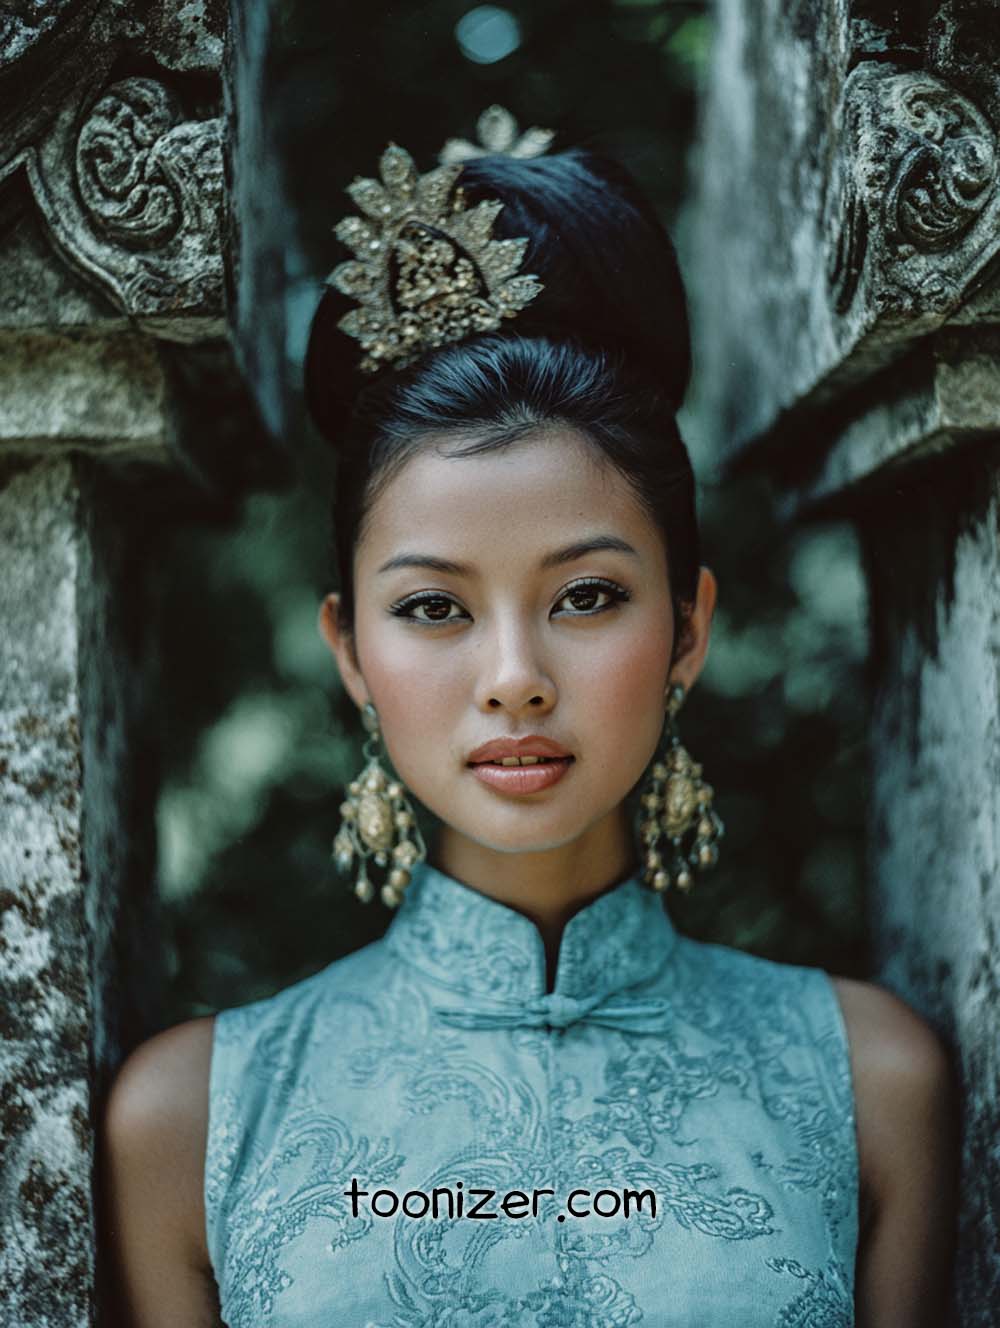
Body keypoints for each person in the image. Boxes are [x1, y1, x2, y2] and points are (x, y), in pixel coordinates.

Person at [101, 109, 959, 1327]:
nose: (514, 675)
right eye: (435, 606)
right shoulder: (192, 1120)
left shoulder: (867, 1084)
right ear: (349, 645)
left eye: (588, 596)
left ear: (688, 627)